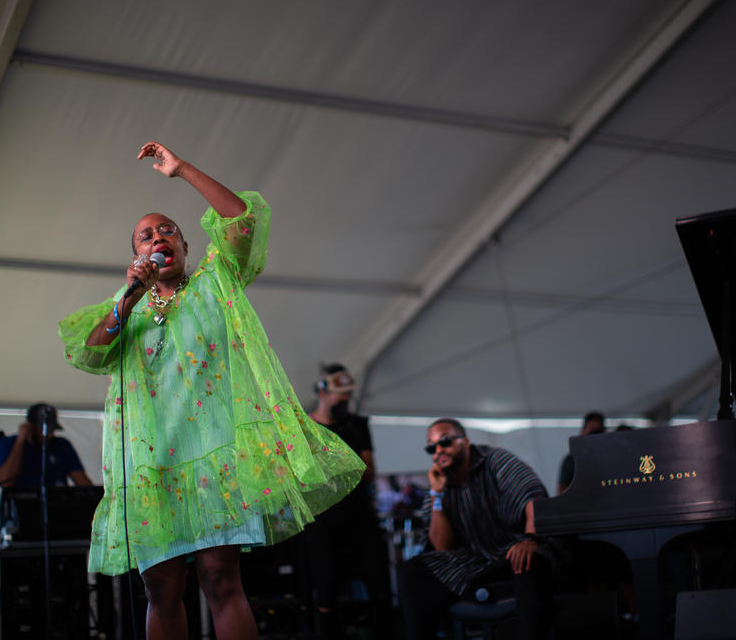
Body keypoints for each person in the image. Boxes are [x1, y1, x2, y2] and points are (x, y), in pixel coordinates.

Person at [58, 142, 365, 640]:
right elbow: (90, 352)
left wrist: (181, 171)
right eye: (145, 235)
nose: (158, 236)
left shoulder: (216, 279)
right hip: (153, 465)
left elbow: (243, 217)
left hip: (214, 458)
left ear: (185, 245)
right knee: (162, 590)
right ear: (136, 255)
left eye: (167, 230)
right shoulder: (128, 303)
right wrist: (128, 299)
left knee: (221, 581)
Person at [398, 418, 557, 640]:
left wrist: (531, 539)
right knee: (412, 570)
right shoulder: (438, 484)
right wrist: (436, 496)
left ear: (465, 441)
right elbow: (442, 547)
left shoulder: (494, 460)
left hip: (517, 546)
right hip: (477, 560)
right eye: (432, 447)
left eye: (445, 442)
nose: (439, 451)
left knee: (525, 562)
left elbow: (532, 496)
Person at [304, 364, 392, 638]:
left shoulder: (356, 425)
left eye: (347, 394)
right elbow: (307, 476)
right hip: (323, 518)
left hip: (359, 516)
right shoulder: (306, 428)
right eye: (338, 394)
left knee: (378, 582)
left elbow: (369, 471)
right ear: (322, 391)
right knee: (326, 586)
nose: (343, 399)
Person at [0, 403, 93, 487]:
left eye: (52, 430)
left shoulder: (62, 445)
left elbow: (82, 481)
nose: (50, 435)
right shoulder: (8, 443)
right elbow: (5, 481)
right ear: (30, 427)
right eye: (45, 431)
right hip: (21, 508)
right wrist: (20, 442)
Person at [556, 411, 605, 495]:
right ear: (583, 432)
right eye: (592, 430)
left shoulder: (609, 457)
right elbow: (561, 491)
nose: (595, 436)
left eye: (599, 431)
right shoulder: (571, 460)